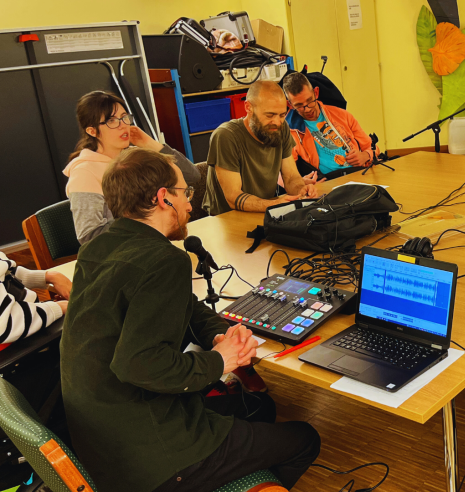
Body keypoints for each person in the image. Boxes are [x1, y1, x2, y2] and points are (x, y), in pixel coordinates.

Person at [61, 148, 320, 492]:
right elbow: (139, 365)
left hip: (102, 438)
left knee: (260, 407)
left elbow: (180, 304)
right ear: (162, 198)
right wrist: (219, 361)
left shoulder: (99, 247)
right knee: (305, 438)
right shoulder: (163, 260)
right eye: (185, 193)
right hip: (154, 457)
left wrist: (220, 333)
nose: (189, 204)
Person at [64, 91, 200, 244]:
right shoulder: (84, 171)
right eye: (112, 120)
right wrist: (144, 222)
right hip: (128, 249)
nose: (123, 125)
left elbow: (191, 176)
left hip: (158, 240)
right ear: (92, 131)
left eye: (124, 117)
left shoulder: (135, 157)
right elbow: (89, 236)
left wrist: (151, 145)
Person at [202, 80, 319, 215]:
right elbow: (233, 197)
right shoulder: (226, 136)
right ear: (248, 107)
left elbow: (291, 177)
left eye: (282, 115)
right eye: (270, 115)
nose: (277, 122)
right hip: (226, 217)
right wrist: (273, 205)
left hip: (264, 211)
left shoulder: (282, 129)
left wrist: (301, 190)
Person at [283, 72, 376, 177]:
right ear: (290, 105)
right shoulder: (289, 132)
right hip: (328, 181)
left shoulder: (342, 115)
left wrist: (365, 155)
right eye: (299, 106)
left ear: (316, 93)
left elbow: (373, 148)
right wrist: (301, 181)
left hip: (360, 172)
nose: (307, 109)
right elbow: (286, 173)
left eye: (309, 101)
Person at [0, 253, 71, 347]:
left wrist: (51, 277)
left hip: (28, 315)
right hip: (14, 342)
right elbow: (5, 325)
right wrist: (58, 308)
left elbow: (6, 272)